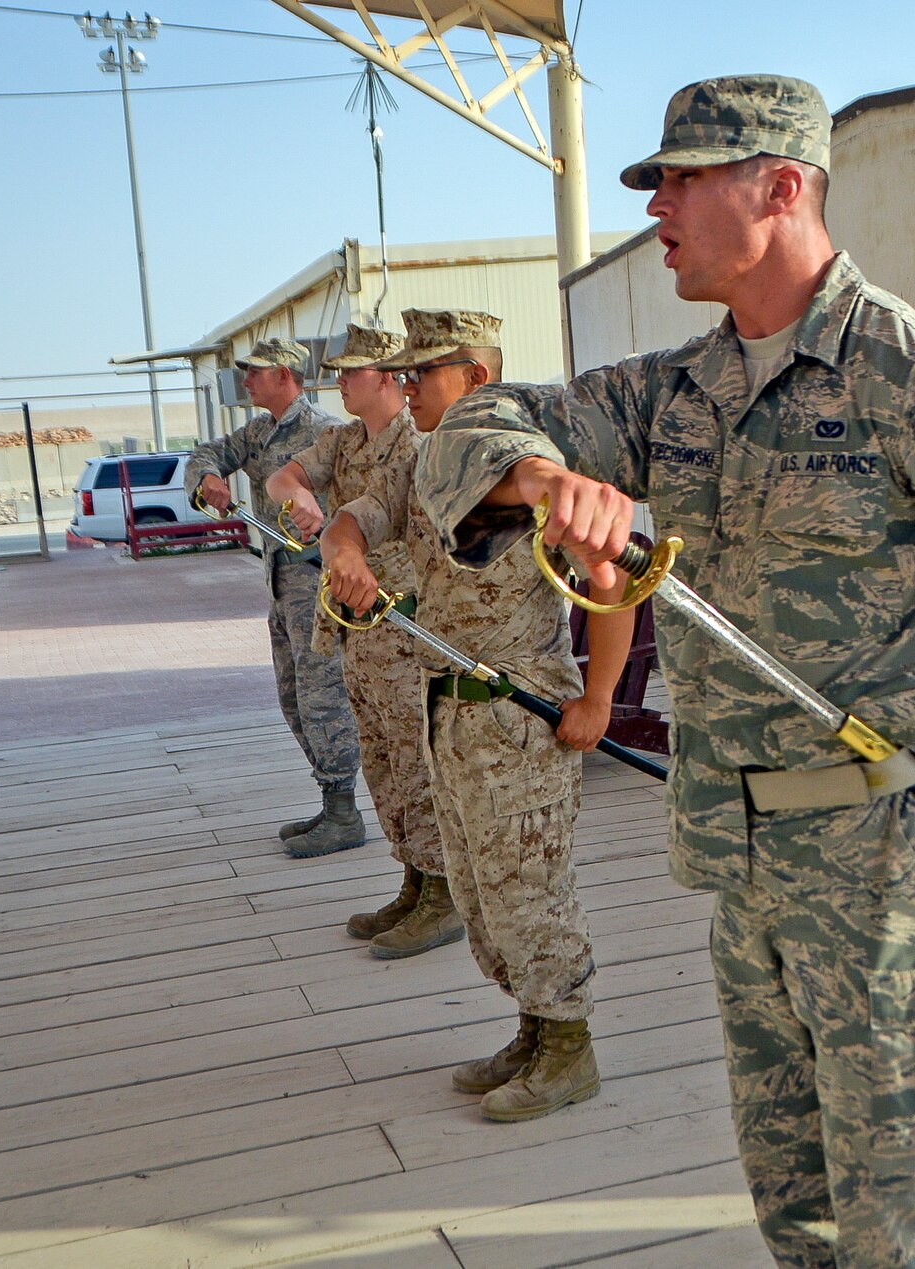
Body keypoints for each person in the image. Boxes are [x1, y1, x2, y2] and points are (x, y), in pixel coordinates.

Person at [409, 75, 915, 1266]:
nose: (655, 203)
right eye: (654, 181)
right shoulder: (673, 393)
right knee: (797, 1214)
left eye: (681, 176)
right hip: (744, 871)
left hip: (889, 885)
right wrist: (544, 480)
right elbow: (465, 429)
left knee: (905, 1228)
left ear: (780, 186)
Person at [321, 309, 635, 1120]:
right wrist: (347, 553)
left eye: (424, 373)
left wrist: (597, 698)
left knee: (531, 890)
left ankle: (569, 1046)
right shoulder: (421, 461)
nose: (408, 386)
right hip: (444, 710)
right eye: (406, 373)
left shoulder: (519, 463)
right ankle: (532, 1029)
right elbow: (355, 514)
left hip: (520, 716)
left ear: (477, 378)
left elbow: (610, 577)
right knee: (479, 892)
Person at [263, 323, 466, 958]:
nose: (340, 382)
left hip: (405, 627)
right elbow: (281, 478)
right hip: (356, 629)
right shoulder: (344, 440)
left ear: (387, 380)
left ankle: (443, 895)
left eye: (352, 372)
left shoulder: (420, 446)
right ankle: (413, 879)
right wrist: (299, 496)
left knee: (416, 760)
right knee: (380, 759)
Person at [185, 336, 364, 858]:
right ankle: (332, 798)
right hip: (281, 582)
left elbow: (361, 510)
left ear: (285, 375)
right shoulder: (261, 432)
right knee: (291, 696)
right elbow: (207, 453)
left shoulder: (328, 432)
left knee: (322, 696)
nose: (246, 380)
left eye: (255, 371)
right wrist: (209, 478)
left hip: (320, 585)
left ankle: (344, 811)